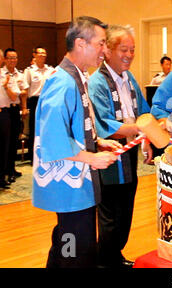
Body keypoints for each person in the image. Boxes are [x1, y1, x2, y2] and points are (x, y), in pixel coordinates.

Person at [32, 16, 120, 268]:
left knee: (66, 244)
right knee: (75, 251)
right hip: (69, 186)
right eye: (101, 43)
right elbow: (52, 137)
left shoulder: (77, 76)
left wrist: (98, 142)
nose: (105, 50)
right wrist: (91, 157)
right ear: (81, 44)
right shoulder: (63, 81)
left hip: (77, 181)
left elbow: (75, 126)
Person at [88, 24, 153, 268]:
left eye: (133, 50)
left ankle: (114, 255)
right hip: (108, 153)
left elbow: (143, 113)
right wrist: (142, 129)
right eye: (123, 49)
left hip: (129, 152)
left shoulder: (129, 77)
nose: (129, 55)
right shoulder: (97, 82)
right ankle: (105, 261)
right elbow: (106, 125)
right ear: (107, 50)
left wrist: (145, 138)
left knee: (125, 209)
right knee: (110, 214)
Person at [1, 48, 28, 183]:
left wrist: (24, 107)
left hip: (15, 110)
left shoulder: (20, 74)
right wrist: (18, 93)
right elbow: (15, 94)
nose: (13, 60)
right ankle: (5, 170)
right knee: (5, 142)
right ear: (5, 59)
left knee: (13, 141)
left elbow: (24, 92)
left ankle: (11, 169)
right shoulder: (2, 74)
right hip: (4, 111)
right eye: (10, 58)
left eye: (15, 57)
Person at [24, 46, 55, 164]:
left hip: (48, 101)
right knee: (34, 129)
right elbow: (26, 90)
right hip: (34, 101)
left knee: (47, 128)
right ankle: (33, 157)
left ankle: (47, 155)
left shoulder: (50, 70)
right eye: (40, 53)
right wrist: (25, 106)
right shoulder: (29, 71)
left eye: (44, 53)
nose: (42, 55)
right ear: (34, 55)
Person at [0, 49, 21, 189]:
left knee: (3, 146)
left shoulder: (6, 75)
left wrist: (6, 86)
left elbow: (14, 97)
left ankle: (1, 178)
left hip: (4, 114)